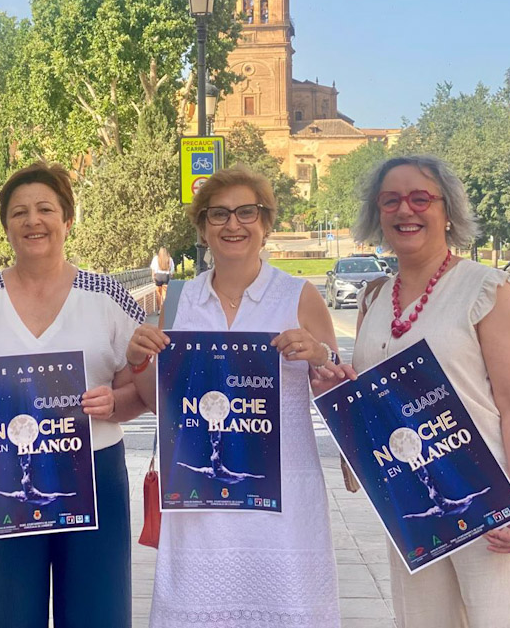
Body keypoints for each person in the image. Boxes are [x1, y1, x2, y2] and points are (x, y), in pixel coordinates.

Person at [127, 165, 350, 627]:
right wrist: (138, 362)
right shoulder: (178, 301)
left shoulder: (299, 295)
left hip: (282, 496)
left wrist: (319, 354)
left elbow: (335, 390)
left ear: (266, 223)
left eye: (246, 212)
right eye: (218, 215)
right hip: (201, 498)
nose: (233, 225)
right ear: (203, 228)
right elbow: (158, 400)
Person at [0, 161, 149, 628]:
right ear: (6, 227)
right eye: (20, 212)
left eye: (46, 209)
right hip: (3, 478)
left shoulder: (107, 296)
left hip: (93, 475)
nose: (33, 221)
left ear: (67, 221)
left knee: (98, 614)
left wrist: (116, 402)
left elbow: (146, 388)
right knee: (11, 615)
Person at [345, 155, 510, 627]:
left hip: (488, 498)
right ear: (378, 212)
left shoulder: (485, 290)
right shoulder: (373, 297)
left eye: (420, 199)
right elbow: (371, 400)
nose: (405, 211)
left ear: (446, 210)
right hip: (412, 502)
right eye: (391, 200)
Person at [150, 246, 174, 311]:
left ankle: (159, 310)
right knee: (165, 294)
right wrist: (170, 277)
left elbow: (153, 269)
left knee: (158, 294)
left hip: (158, 277)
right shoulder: (170, 259)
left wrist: (153, 277)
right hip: (166, 276)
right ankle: (165, 309)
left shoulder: (156, 258)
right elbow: (172, 271)